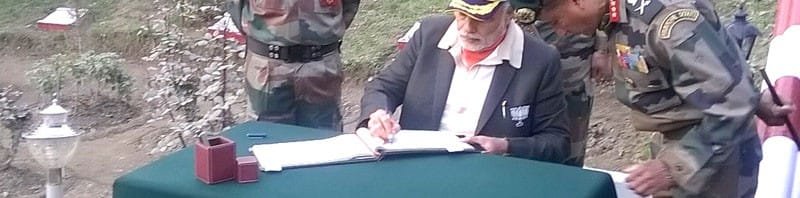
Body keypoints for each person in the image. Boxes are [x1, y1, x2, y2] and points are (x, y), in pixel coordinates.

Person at [537, 0, 795, 196]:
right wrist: (752, 98)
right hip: (693, 143)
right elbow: (715, 63)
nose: (561, 32)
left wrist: (672, 168)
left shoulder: (667, 23)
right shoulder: (622, 14)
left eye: (558, 21)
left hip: (716, 161)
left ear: (578, 1)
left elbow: (732, 100)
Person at [358, 0, 570, 163]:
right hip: (418, 163)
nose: (467, 28)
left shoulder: (540, 59)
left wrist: (506, 146)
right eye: (461, 15)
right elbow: (383, 87)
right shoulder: (429, 34)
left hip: (489, 174)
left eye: (481, 19)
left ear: (508, 15)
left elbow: (556, 143)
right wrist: (376, 115)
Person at [228, 0, 361, 131]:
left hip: (322, 67)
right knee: (265, 139)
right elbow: (235, 6)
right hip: (267, 68)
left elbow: (350, 5)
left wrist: (325, 33)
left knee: (324, 141)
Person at [509, 0, 612, 167]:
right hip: (515, 54)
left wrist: (602, 45)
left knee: (570, 137)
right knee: (516, 133)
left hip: (570, 51)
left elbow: (599, 6)